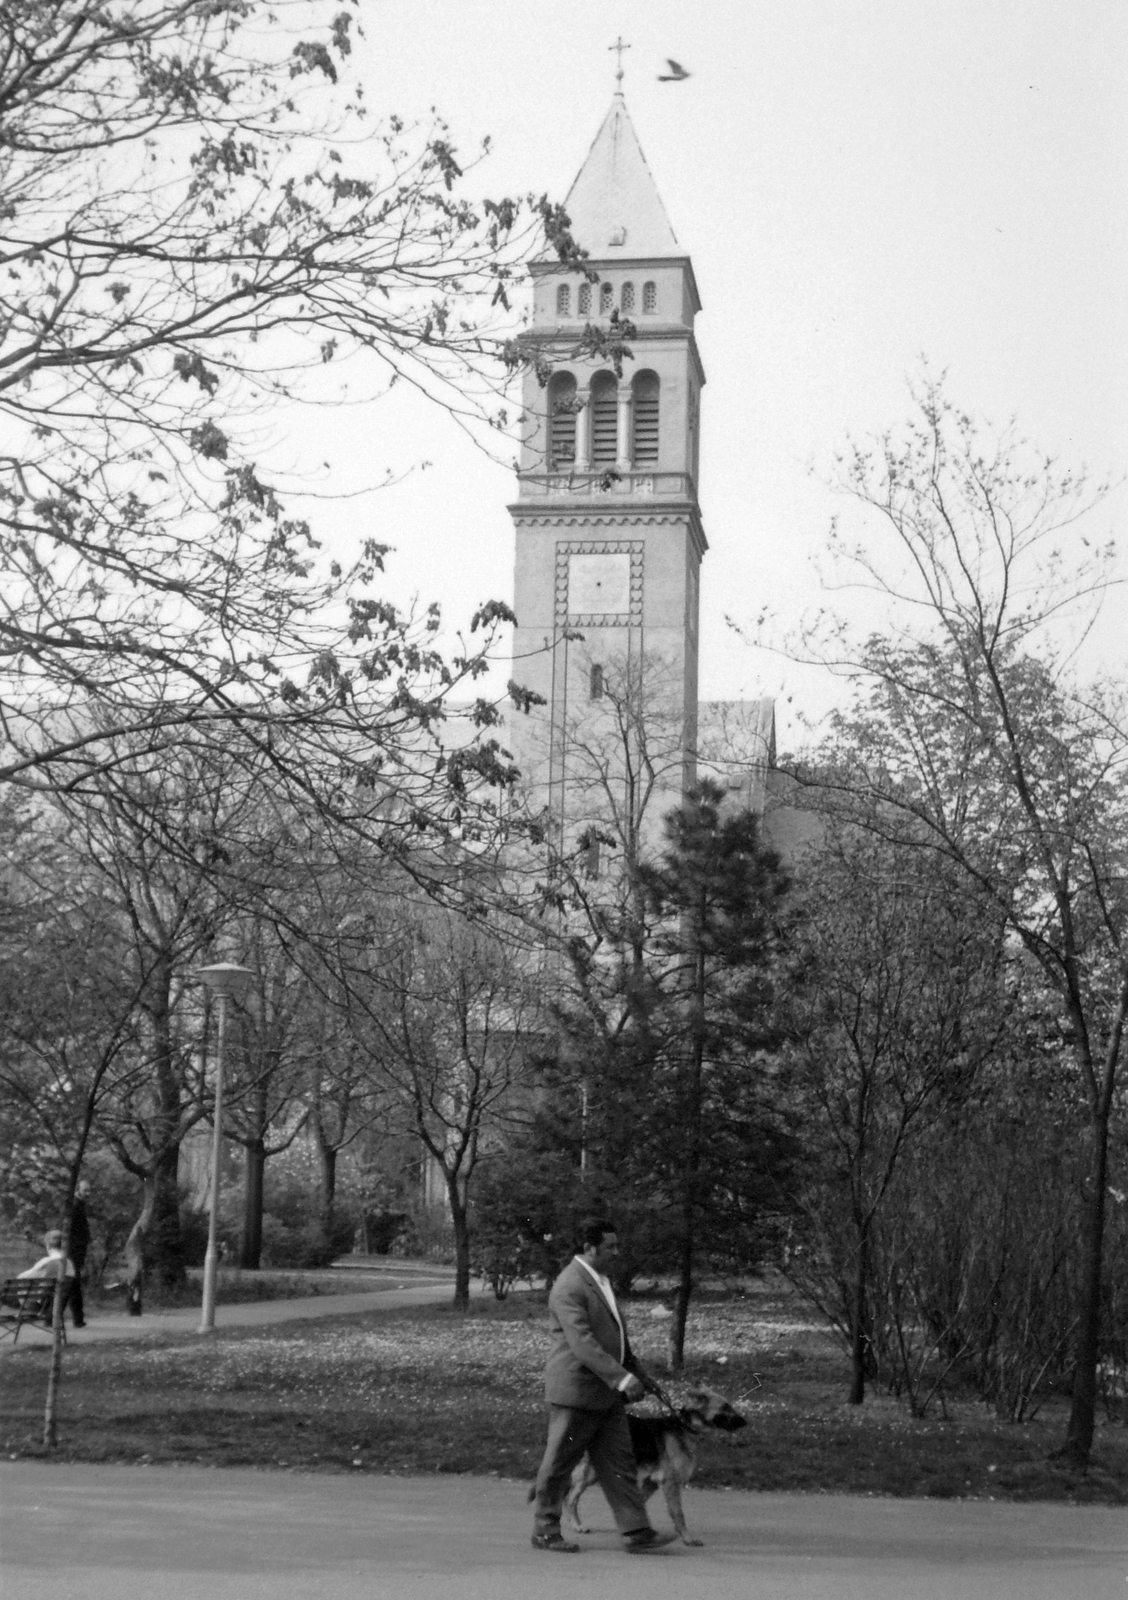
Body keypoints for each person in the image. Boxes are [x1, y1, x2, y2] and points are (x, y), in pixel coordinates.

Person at [530, 1218, 676, 1555]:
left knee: (620, 1463)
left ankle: (636, 1531)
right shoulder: (569, 1285)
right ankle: (545, 1529)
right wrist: (622, 1378)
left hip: (606, 1394)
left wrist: (638, 1372)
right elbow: (583, 1343)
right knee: (559, 1464)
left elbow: (616, 1339)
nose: (616, 1251)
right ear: (588, 1247)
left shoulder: (599, 1281)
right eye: (609, 1246)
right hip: (577, 1393)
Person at [18, 1229, 78, 1324]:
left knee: (7, 1291)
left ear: (48, 1245)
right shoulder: (69, 1263)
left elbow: (21, 1278)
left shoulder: (48, 1261)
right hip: (54, 1304)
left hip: (38, 1304)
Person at [67, 1182, 90, 1328]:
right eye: (85, 1190)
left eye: (89, 1191)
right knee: (72, 1284)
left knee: (71, 1284)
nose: (88, 1193)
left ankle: (77, 1318)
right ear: (77, 1190)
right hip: (74, 1251)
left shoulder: (79, 1205)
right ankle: (78, 1318)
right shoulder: (75, 1206)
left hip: (77, 1251)